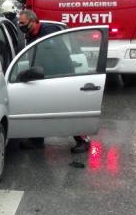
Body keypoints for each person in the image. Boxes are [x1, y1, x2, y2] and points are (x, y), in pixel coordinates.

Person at [17, 10, 91, 153]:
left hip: (60, 75)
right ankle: (37, 140)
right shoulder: (31, 35)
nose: (20, 26)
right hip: (41, 76)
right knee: (38, 109)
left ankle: (83, 140)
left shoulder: (48, 31)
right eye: (19, 23)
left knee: (67, 108)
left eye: (23, 23)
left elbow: (53, 56)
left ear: (34, 21)